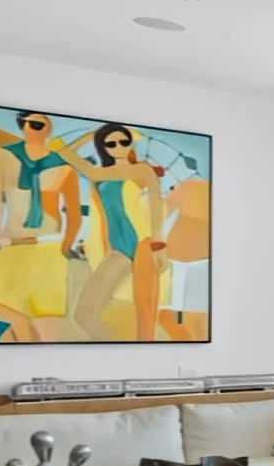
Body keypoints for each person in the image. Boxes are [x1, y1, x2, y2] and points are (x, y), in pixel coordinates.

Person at [52, 123, 165, 341]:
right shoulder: (97, 173)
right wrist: (89, 135)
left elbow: (156, 205)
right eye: (110, 144)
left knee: (89, 314)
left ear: (130, 143)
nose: (118, 147)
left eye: (123, 141)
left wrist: (159, 245)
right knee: (83, 314)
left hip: (139, 244)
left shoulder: (141, 170)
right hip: (117, 246)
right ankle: (119, 350)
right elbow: (60, 152)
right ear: (104, 148)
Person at [0, 110, 79, 340]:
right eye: (26, 123)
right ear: (21, 127)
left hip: (49, 247)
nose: (32, 128)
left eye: (38, 124)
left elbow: (73, 213)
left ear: (49, 128)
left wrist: (65, 247)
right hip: (12, 246)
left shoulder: (63, 165)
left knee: (46, 323)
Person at [159, 177, 210, 341]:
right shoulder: (194, 187)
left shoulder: (189, 187)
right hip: (189, 264)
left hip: (192, 265)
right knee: (188, 321)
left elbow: (161, 211)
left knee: (188, 320)